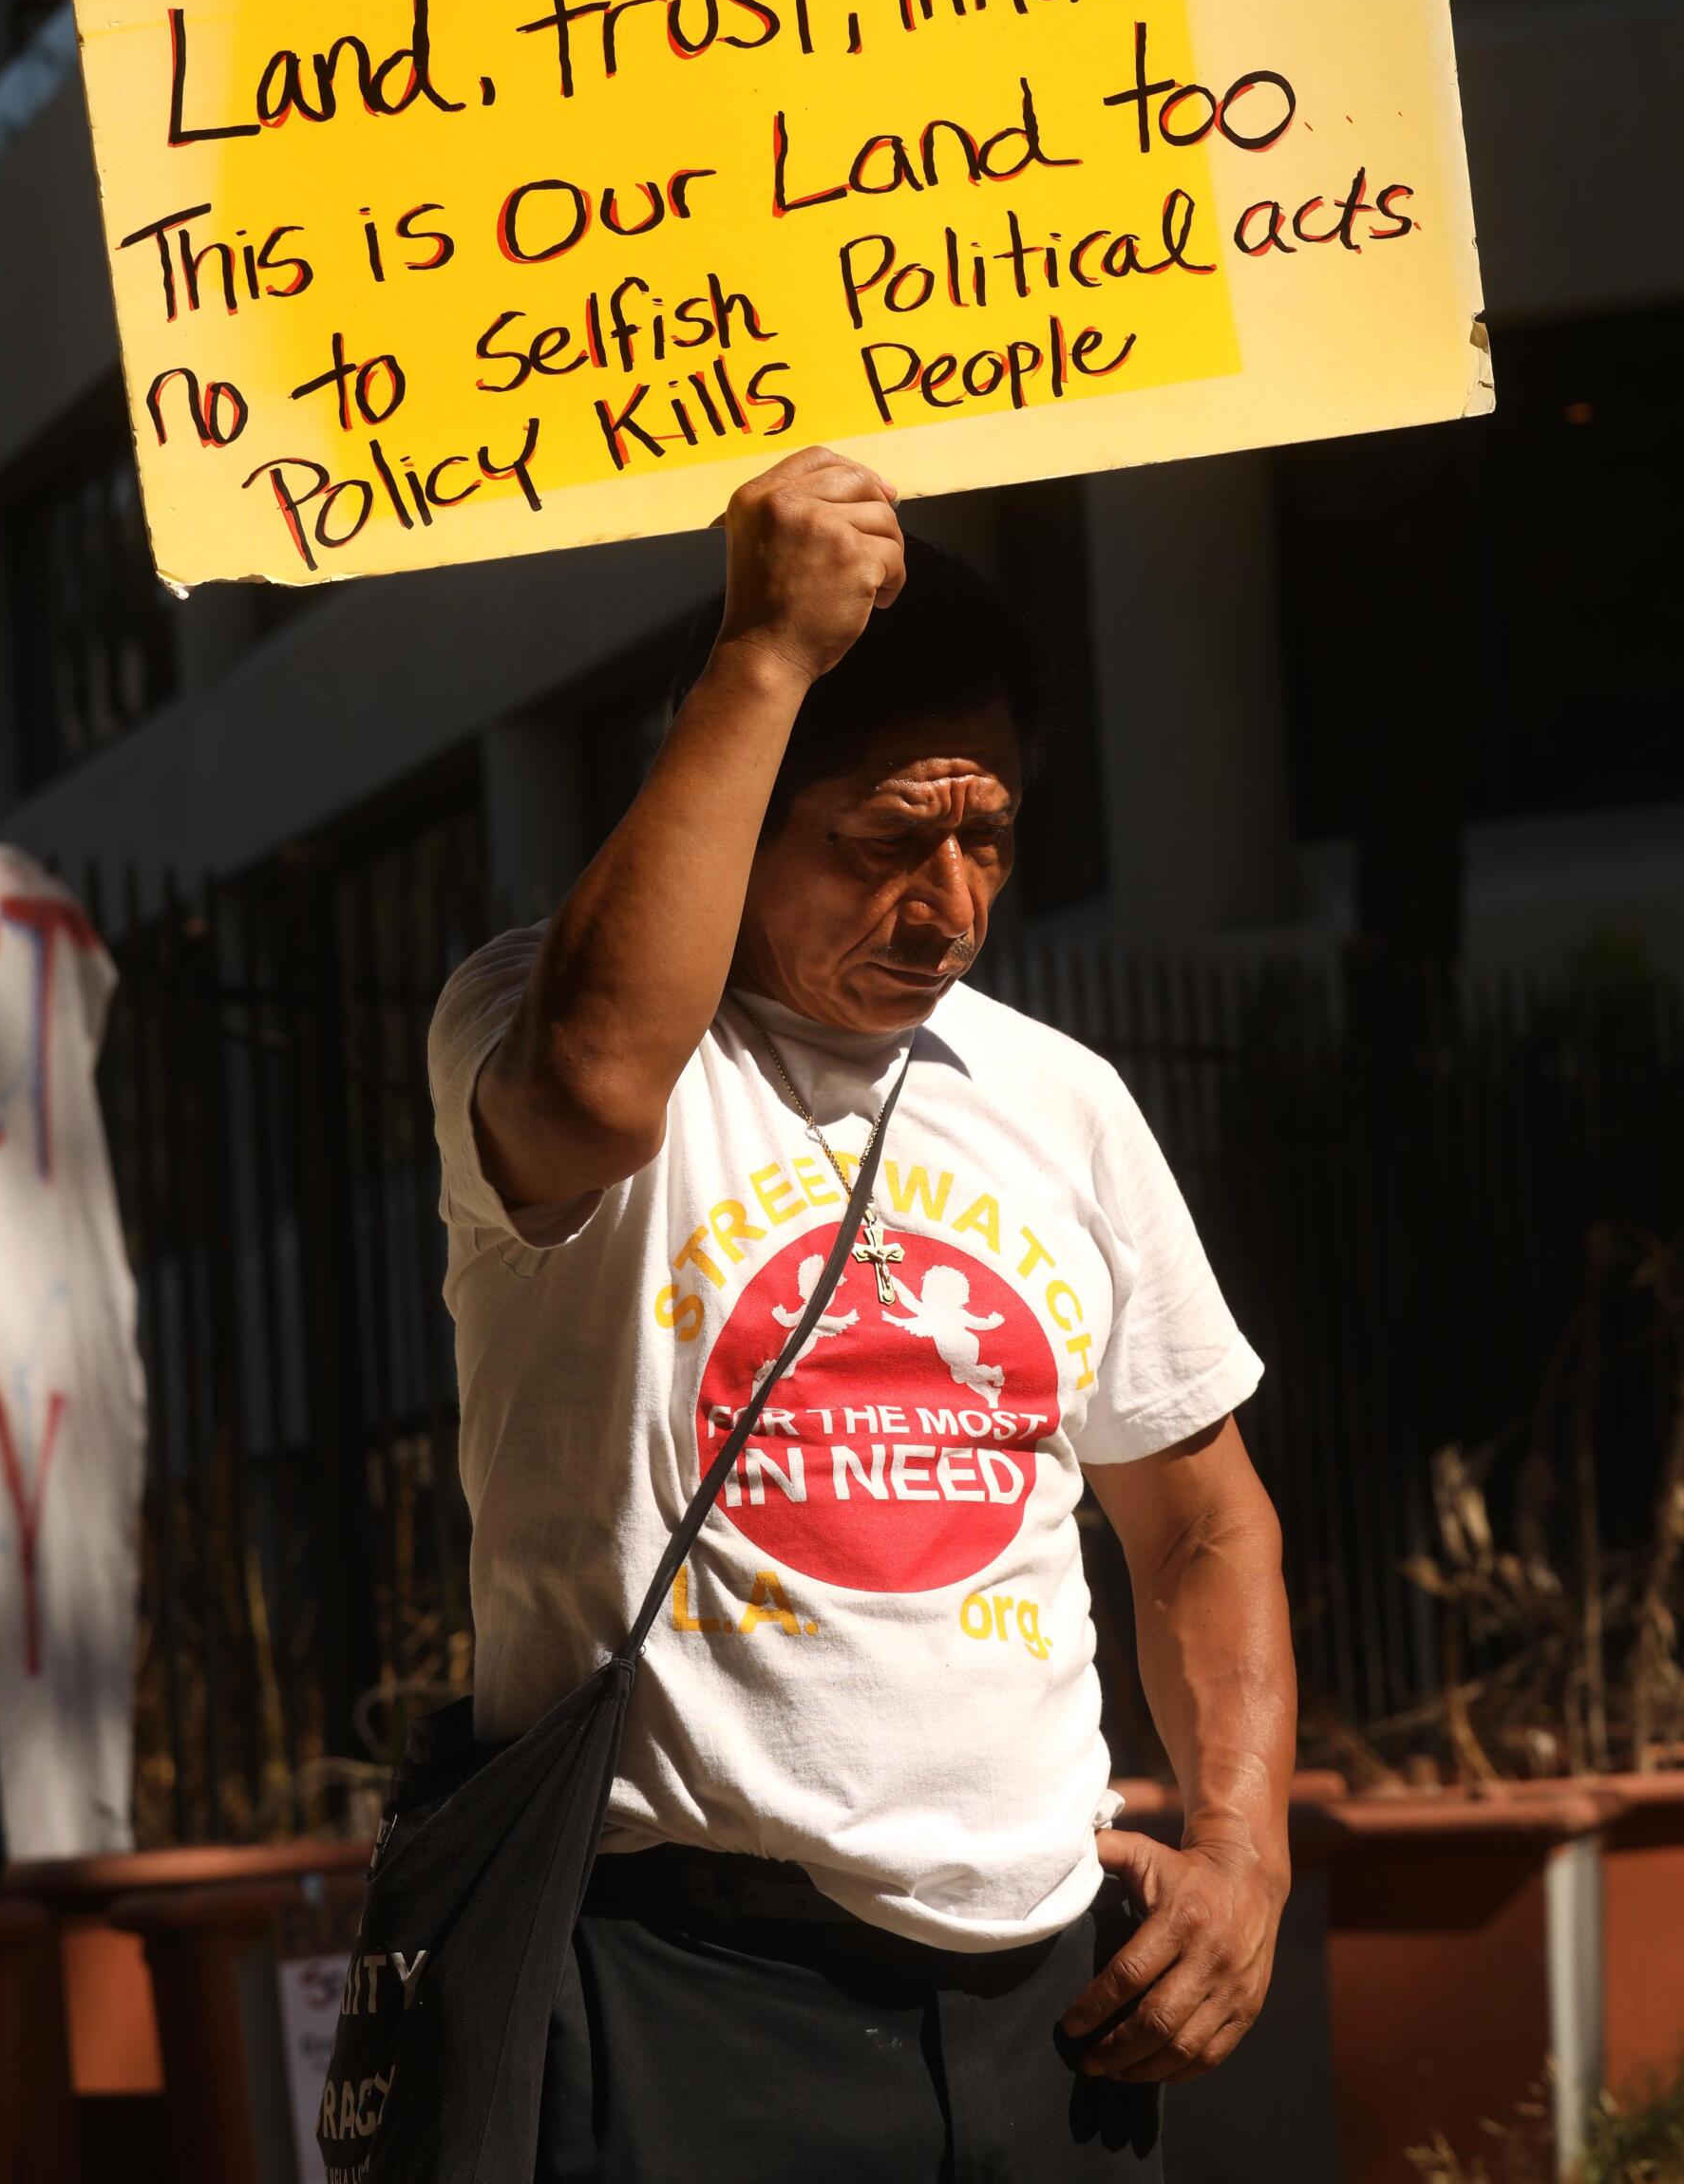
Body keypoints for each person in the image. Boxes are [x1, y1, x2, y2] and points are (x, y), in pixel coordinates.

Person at [429, 446, 1294, 2182]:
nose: (953, 907)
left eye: (990, 836)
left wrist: (1244, 1853)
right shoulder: (532, 1013)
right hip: (676, 1985)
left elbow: (1201, 1519)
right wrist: (764, 653)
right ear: (744, 802)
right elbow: (593, 1087)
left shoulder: (1061, 1101)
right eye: (889, 840)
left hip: (1048, 1986)